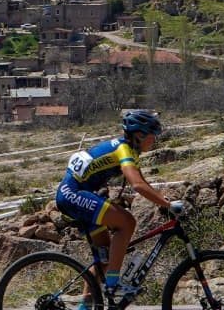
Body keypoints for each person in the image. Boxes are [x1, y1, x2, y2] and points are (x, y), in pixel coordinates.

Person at [55, 109, 183, 307]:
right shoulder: (123, 150)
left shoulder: (130, 150)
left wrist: (163, 199)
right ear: (139, 135)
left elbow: (142, 181)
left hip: (75, 194)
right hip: (73, 194)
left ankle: (85, 306)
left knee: (104, 259)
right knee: (127, 222)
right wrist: (166, 204)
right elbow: (137, 186)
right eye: (152, 136)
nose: (155, 140)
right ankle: (113, 285)